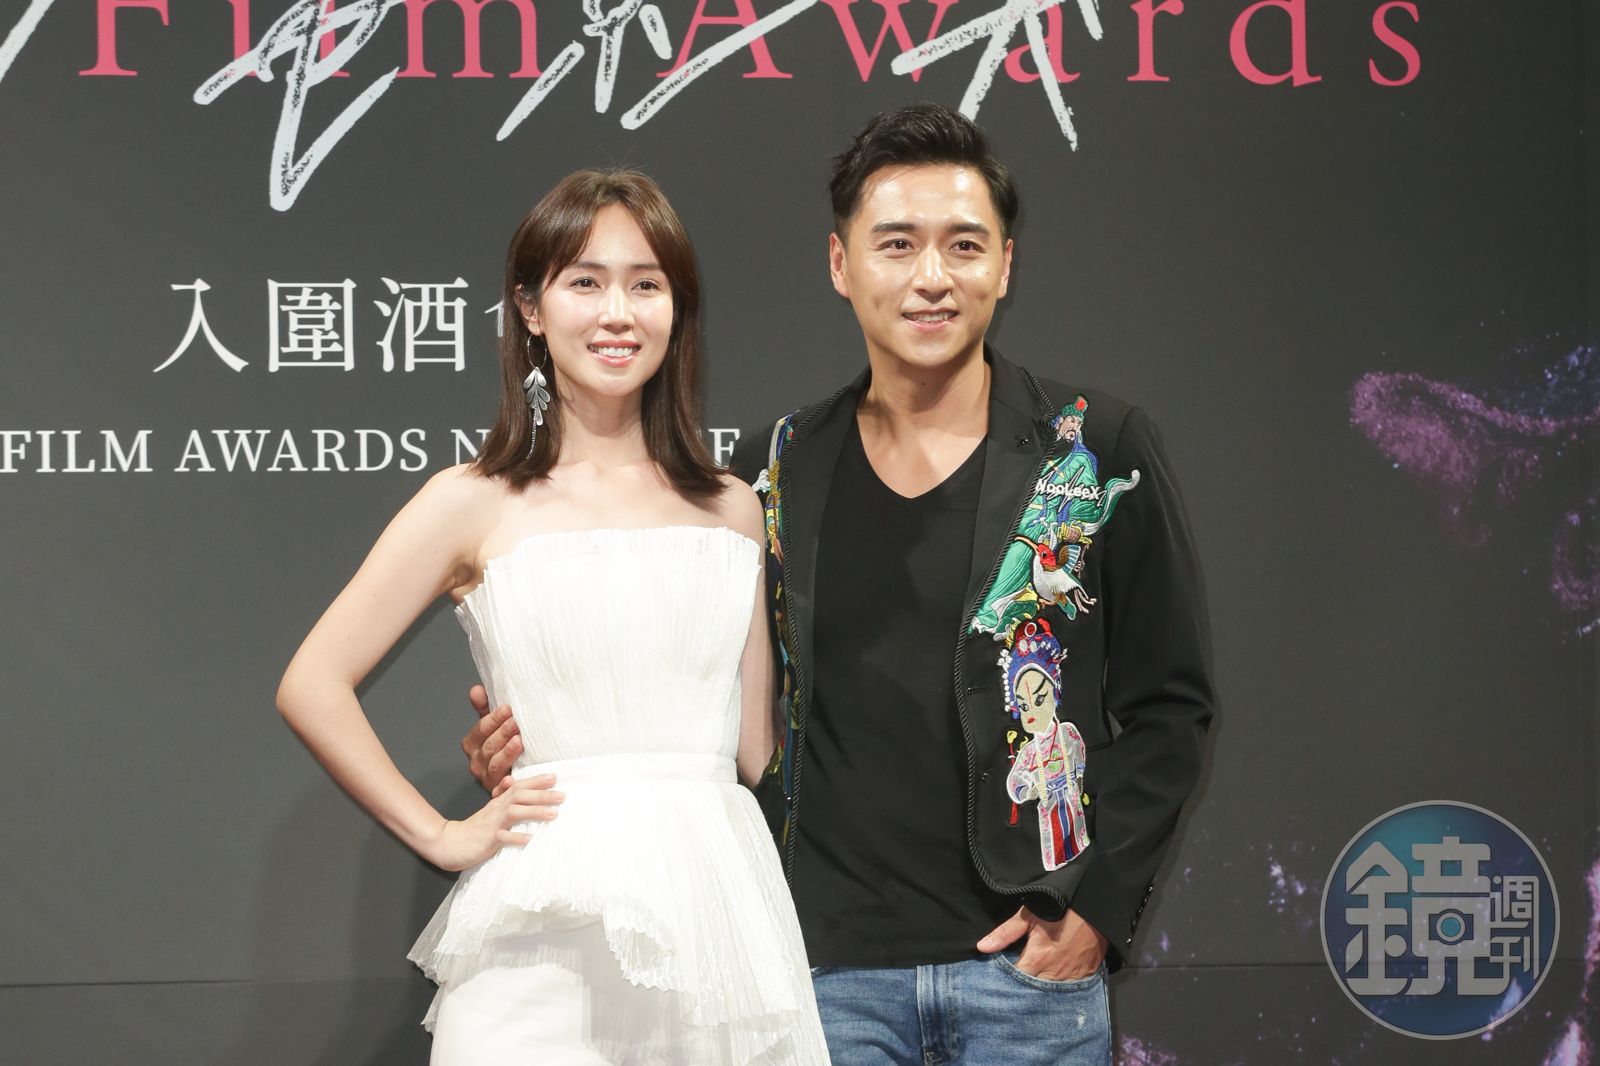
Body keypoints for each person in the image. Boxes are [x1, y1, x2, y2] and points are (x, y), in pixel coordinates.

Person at [467, 105, 1217, 1065]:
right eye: (896, 244)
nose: (931, 276)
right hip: (823, 977)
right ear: (840, 263)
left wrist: (1095, 914)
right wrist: (550, 743)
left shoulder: (1093, 448)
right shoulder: (771, 471)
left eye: (964, 245)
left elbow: (1172, 706)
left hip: (1027, 982)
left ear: (1005, 266)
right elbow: (707, 702)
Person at [276, 169, 829, 1065]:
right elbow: (313, 682)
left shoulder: (732, 506)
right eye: (585, 282)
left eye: (646, 284)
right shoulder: (472, 500)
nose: (618, 313)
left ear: (677, 310)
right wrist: (442, 836)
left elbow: (756, 750)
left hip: (716, 914)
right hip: (544, 925)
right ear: (531, 309)